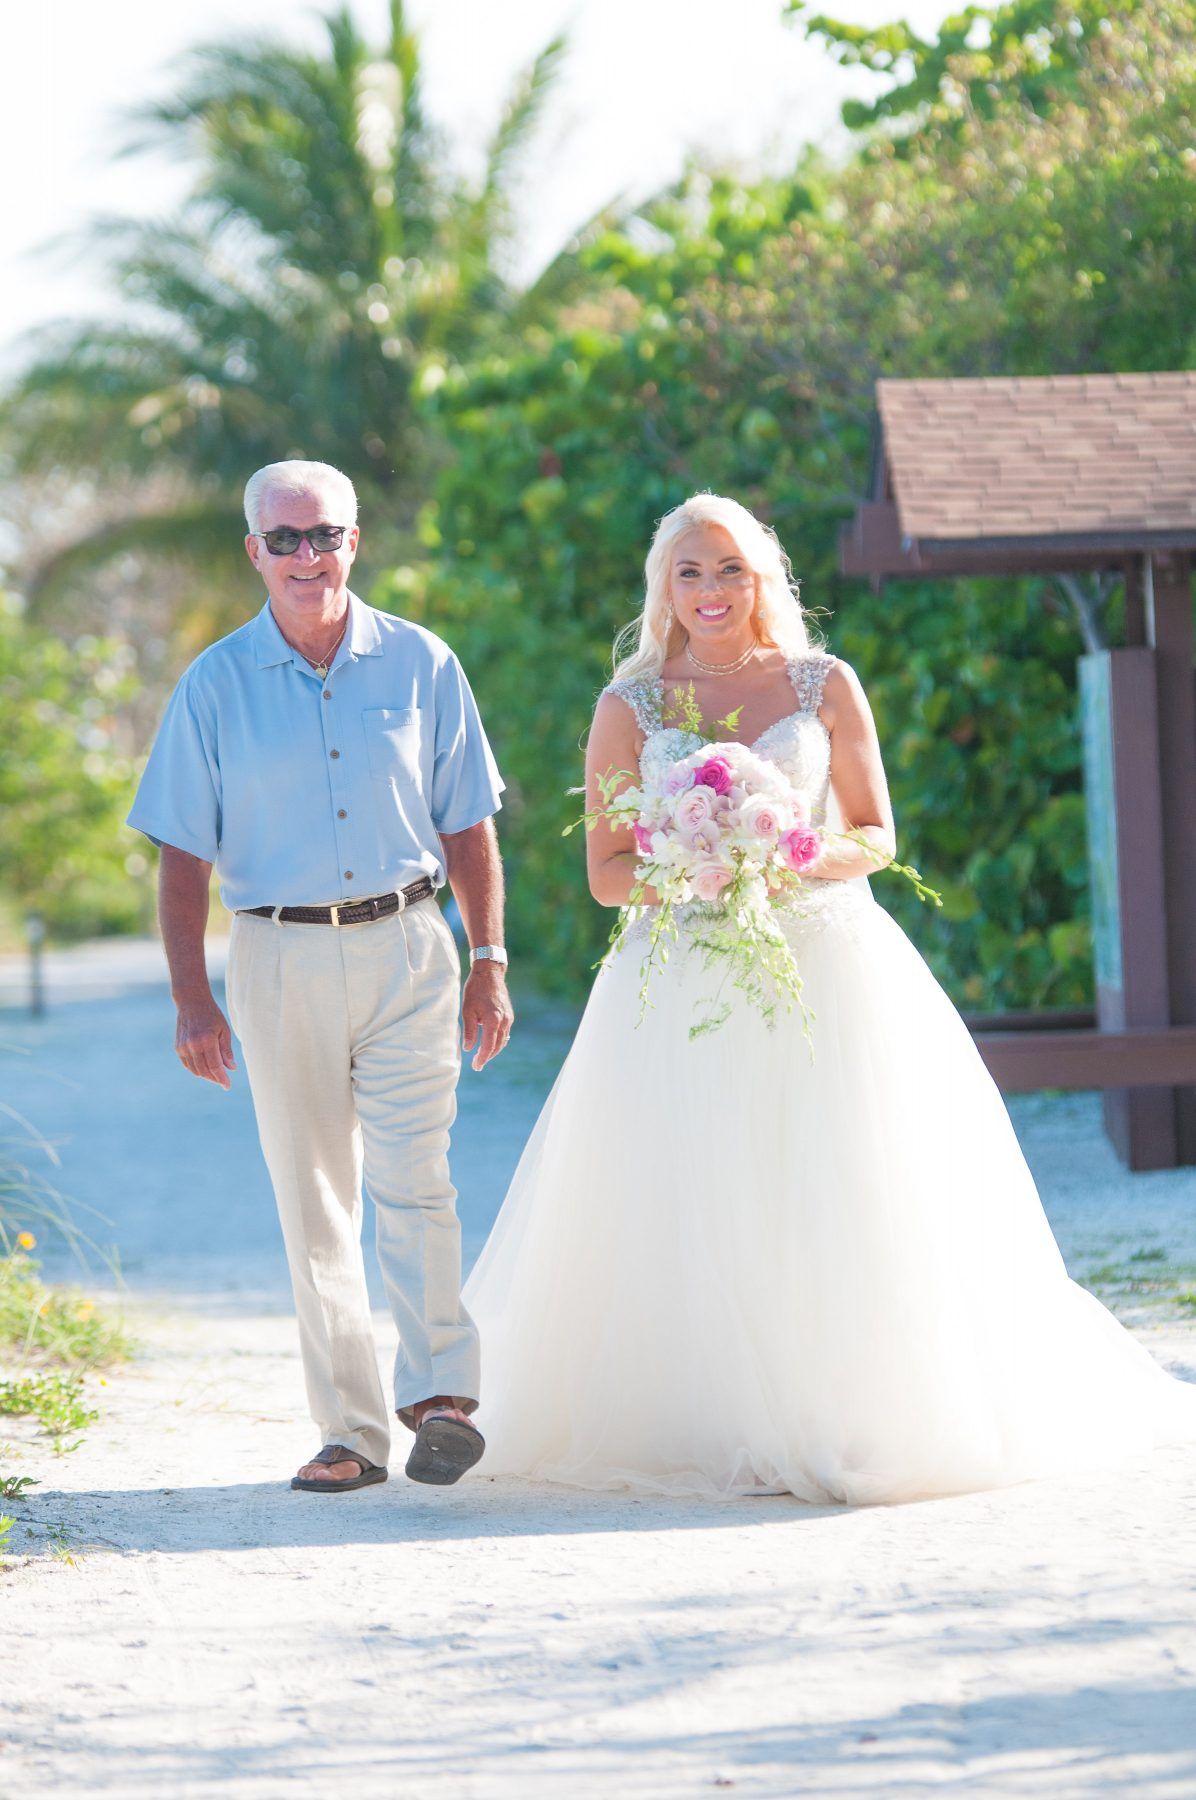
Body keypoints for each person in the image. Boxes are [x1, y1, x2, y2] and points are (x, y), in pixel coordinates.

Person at [463, 492, 1196, 1504]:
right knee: (696, 1183)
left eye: (729, 569)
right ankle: (718, 1416)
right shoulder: (627, 707)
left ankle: (843, 1407)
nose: (710, 591)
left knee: (834, 1173)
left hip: (824, 955)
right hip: (677, 968)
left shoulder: (821, 684)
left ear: (762, 577)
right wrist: (694, 865)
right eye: (689, 572)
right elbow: (602, 872)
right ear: (662, 587)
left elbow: (874, 833)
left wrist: (785, 850)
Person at [128, 459, 513, 1494]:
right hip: (276, 955)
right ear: (254, 552)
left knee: (416, 1180)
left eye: (324, 535)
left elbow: (467, 821)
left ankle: (439, 1397)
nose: (308, 556)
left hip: (409, 947)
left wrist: (488, 959)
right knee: (315, 1200)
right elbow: (180, 856)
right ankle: (350, 1431)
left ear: (354, 542)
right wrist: (189, 999)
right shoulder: (213, 684)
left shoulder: (423, 664)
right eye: (285, 539)